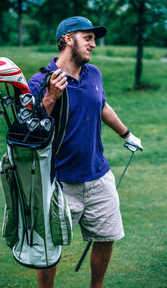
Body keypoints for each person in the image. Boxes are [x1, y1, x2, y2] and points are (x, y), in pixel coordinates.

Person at [28, 16, 143, 288]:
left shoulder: (94, 74)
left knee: (106, 237)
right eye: (88, 38)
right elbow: (32, 133)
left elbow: (101, 104)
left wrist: (127, 134)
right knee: (49, 248)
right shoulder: (40, 81)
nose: (94, 44)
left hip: (98, 176)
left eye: (94, 39)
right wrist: (49, 99)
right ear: (68, 39)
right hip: (60, 182)